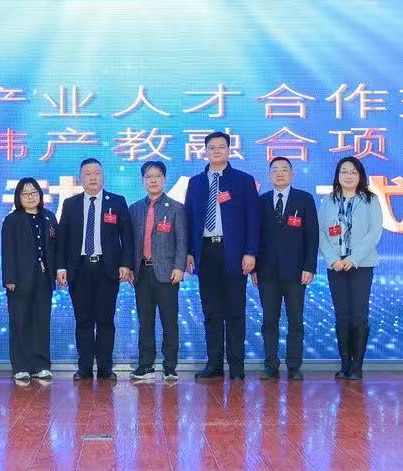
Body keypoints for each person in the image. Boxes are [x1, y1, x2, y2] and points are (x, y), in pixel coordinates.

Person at [183, 131, 260, 381]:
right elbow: (189, 219)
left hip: (234, 252)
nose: (216, 151)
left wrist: (250, 252)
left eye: (221, 147)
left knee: (235, 311)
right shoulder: (196, 182)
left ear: (229, 150)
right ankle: (214, 364)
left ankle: (237, 367)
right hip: (206, 252)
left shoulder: (243, 181)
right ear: (205, 151)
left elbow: (253, 220)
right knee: (211, 312)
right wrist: (189, 252)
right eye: (212, 147)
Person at [55, 158, 133, 381]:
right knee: (83, 321)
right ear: (80, 178)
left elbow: (127, 236)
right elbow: (62, 239)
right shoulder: (71, 204)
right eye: (87, 174)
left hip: (107, 269)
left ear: (103, 176)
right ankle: (85, 368)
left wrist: (126, 264)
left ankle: (106, 368)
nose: (92, 177)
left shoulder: (117, 202)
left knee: (105, 320)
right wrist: (61, 267)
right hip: (78, 269)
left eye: (96, 173)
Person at [318, 156, 384, 381]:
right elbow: (321, 232)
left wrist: (353, 258)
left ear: (360, 176)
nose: (348, 176)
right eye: (344, 171)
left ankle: (357, 366)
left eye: (353, 172)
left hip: (361, 265)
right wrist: (332, 259)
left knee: (358, 315)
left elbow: (374, 233)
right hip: (335, 266)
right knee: (342, 316)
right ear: (337, 175)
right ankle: (345, 363)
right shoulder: (328, 201)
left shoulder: (370, 199)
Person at [254, 156, 318, 380]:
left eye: (284, 169)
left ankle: (294, 366)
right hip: (267, 273)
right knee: (269, 321)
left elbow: (312, 236)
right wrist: (254, 269)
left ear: (292, 174)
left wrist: (309, 267)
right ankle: (270, 365)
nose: (279, 173)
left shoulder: (304, 199)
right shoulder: (261, 201)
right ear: (269, 175)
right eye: (275, 170)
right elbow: (255, 237)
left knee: (295, 321)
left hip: (296, 272)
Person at [127, 160, 187, 383]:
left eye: (157, 176)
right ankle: (146, 365)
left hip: (167, 273)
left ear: (164, 179)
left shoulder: (176, 208)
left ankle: (170, 367)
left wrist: (179, 267)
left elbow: (182, 241)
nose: (153, 180)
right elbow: (130, 243)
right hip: (141, 272)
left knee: (169, 322)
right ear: (143, 181)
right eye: (148, 177)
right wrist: (130, 267)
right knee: (145, 322)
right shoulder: (135, 209)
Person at [1, 177, 58, 383]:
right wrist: (9, 278)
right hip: (19, 279)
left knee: (42, 322)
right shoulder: (12, 220)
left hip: (44, 278)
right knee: (20, 322)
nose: (30, 197)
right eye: (25, 194)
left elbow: (56, 247)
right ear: (18, 197)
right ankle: (21, 366)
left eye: (34, 193)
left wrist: (58, 271)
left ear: (40, 195)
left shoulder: (49, 217)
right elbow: (8, 251)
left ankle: (41, 365)